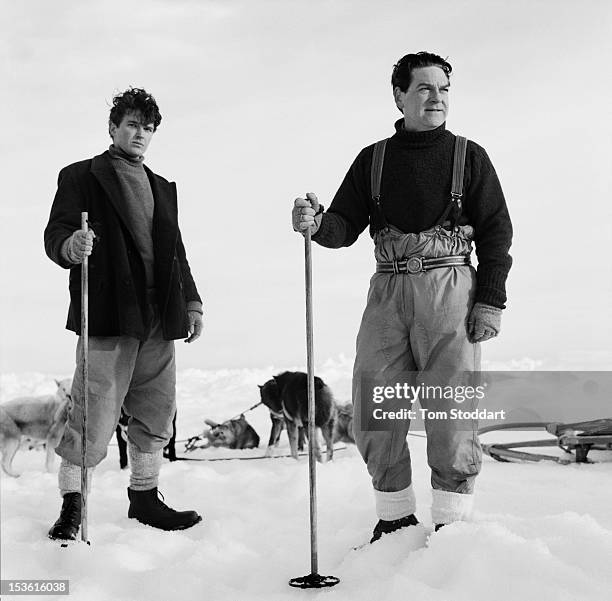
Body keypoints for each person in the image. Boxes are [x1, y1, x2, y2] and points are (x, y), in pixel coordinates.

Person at [292, 52, 512, 542]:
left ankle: (452, 529)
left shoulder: (469, 156)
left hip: (450, 291)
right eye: (424, 89)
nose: (436, 98)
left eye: (444, 90)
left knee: (450, 413)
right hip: (387, 292)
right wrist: (316, 223)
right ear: (399, 96)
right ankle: (393, 520)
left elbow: (497, 231)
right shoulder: (373, 159)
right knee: (376, 403)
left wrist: (491, 299)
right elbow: (343, 226)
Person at [44, 87, 204, 540]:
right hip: (110, 313)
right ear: (113, 127)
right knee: (91, 416)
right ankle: (72, 506)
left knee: (157, 412)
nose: (140, 134)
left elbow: (176, 252)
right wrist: (70, 247)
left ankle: (145, 497)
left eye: (148, 128)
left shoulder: (162, 187)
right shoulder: (81, 176)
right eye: (132, 124)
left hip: (159, 315)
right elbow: (55, 232)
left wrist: (191, 301)